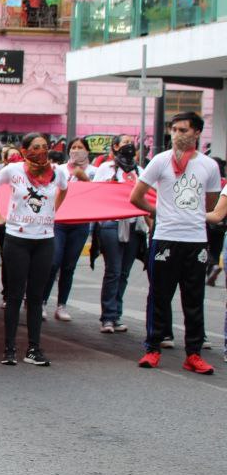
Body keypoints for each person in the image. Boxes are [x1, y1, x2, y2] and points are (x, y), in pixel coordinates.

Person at [137, 112, 221, 373]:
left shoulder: (209, 166)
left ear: (196, 133)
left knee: (194, 298)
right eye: (173, 130)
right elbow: (136, 196)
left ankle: (193, 354)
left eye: (183, 130)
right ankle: (152, 348)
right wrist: (160, 214)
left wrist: (191, 216)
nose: (177, 134)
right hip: (165, 238)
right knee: (159, 295)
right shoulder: (160, 161)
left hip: (195, 240)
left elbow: (210, 203)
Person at [0, 133, 69, 366]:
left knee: (36, 296)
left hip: (44, 239)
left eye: (44, 147)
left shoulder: (58, 173)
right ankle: (9, 348)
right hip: (17, 238)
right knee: (14, 295)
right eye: (35, 147)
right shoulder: (14, 171)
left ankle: (34, 348)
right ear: (24, 150)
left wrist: (54, 211)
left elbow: (64, 189)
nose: (41, 151)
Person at [94, 135, 143, 334]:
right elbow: (96, 192)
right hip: (111, 224)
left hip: (133, 226)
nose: (128, 146)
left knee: (123, 273)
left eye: (131, 143)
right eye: (124, 143)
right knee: (113, 271)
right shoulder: (106, 169)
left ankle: (117, 315)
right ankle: (107, 316)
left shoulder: (141, 171)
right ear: (115, 147)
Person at [42, 137, 94, 322]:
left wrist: (85, 179)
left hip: (80, 224)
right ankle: (42, 301)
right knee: (53, 262)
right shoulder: (60, 170)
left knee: (69, 266)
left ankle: (61, 305)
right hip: (59, 222)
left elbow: (97, 195)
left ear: (87, 151)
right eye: (73, 147)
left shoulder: (94, 171)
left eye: (80, 147)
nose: (76, 150)